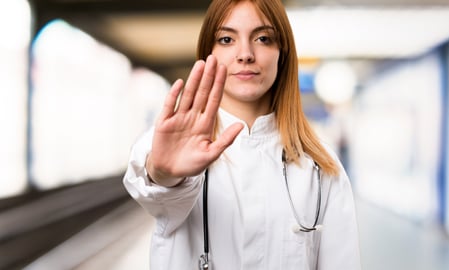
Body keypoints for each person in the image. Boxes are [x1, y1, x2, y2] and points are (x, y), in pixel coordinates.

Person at [123, 0, 361, 269]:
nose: (245, 54)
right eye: (226, 39)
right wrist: (164, 173)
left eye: (262, 38)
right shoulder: (173, 143)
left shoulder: (321, 166)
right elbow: (154, 190)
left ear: (282, 52)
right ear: (208, 53)